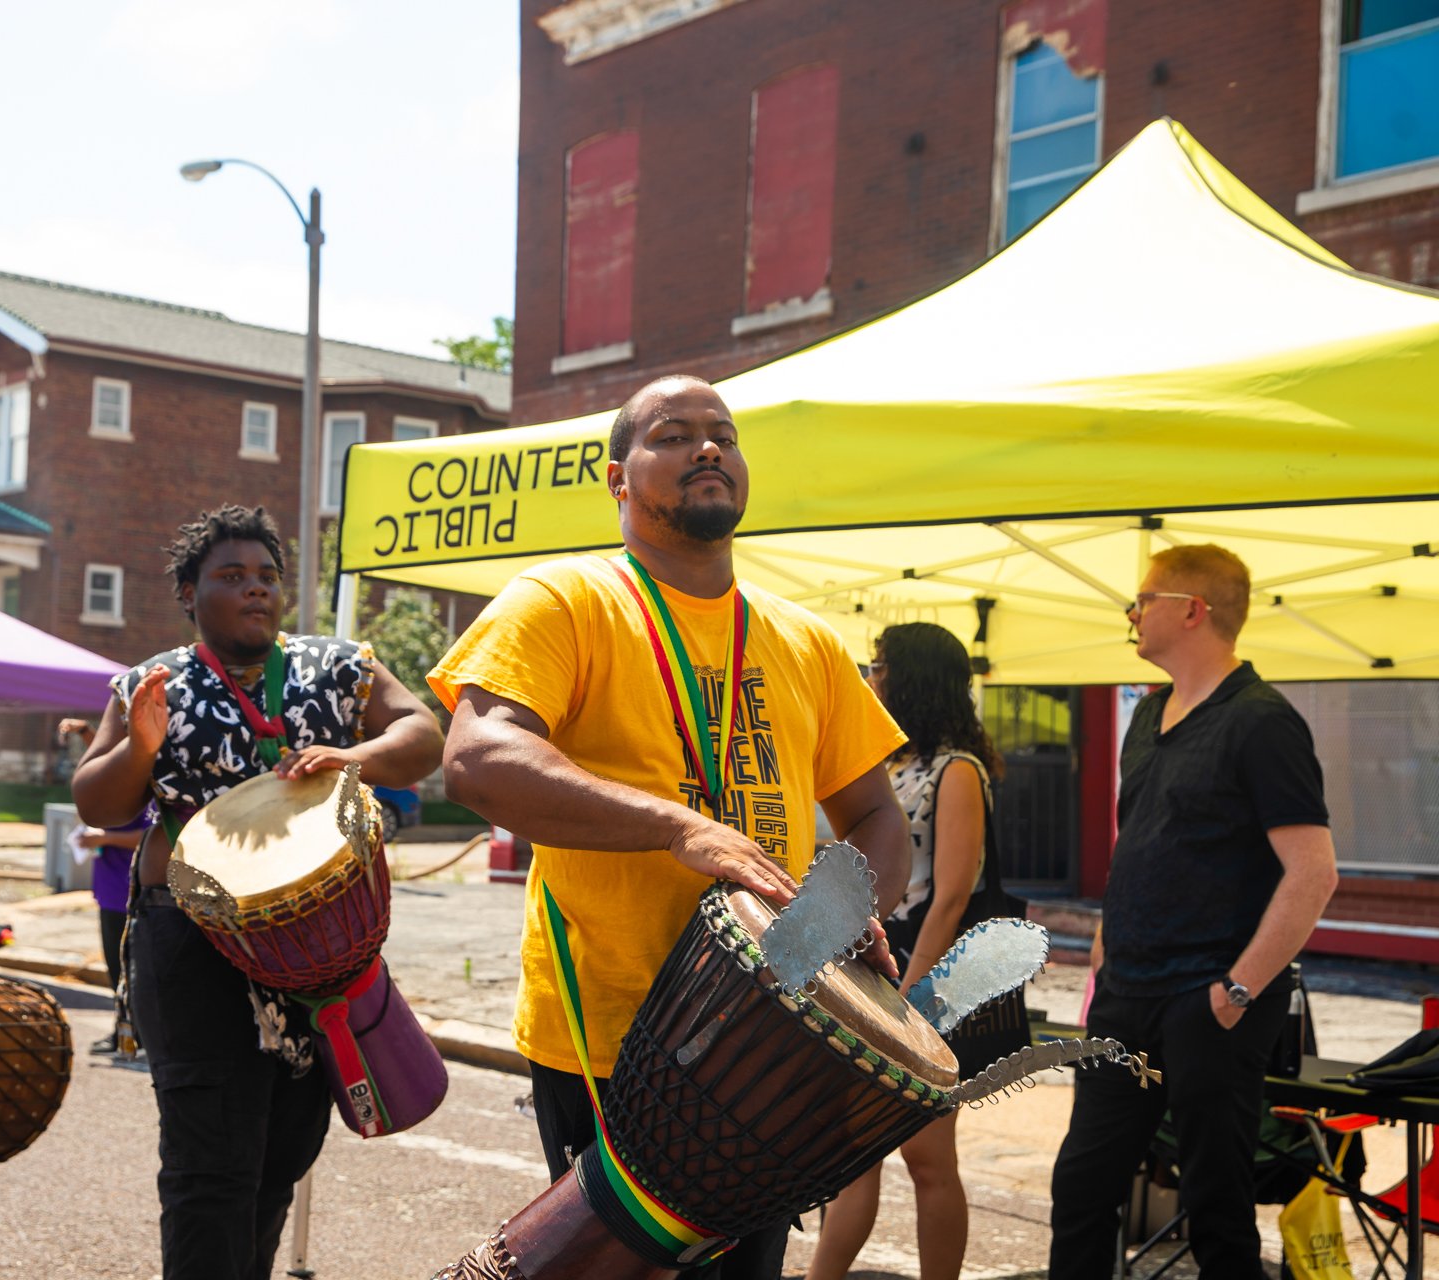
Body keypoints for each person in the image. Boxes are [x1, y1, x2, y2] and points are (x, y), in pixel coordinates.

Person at [429, 375, 911, 1280]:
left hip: (774, 1039)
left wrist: (845, 906)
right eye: (672, 435)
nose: (707, 448)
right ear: (618, 479)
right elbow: (478, 757)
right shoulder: (562, 599)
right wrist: (679, 828)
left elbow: (878, 813)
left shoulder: (804, 639)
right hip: (615, 1044)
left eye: (723, 434)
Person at [71, 502, 443, 1279]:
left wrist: (355, 754)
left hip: (317, 953)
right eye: (231, 576)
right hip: (193, 946)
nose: (256, 590)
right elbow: (98, 803)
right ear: (188, 590)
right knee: (210, 1168)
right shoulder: (150, 683)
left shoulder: (337, 666)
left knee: (282, 1154)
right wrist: (141, 745)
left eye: (268, 577)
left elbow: (422, 736)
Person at [1048, 544, 1339, 1279]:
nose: (1132, 615)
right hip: (1127, 995)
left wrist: (1235, 992)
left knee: (1216, 1205)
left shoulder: (1262, 723)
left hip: (1208, 998)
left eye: (1143, 600)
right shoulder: (1147, 716)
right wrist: (1105, 959)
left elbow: (1313, 874)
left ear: (1191, 610)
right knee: (1083, 1187)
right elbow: (1137, 847)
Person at [809, 621, 1018, 1280]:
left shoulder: (958, 770)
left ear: (914, 678)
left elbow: (952, 896)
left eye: (880, 665)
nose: (871, 677)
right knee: (854, 1151)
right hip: (876, 969)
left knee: (929, 1161)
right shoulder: (892, 764)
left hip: (933, 980)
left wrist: (913, 1001)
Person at [61, 716, 153, 1057]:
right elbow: (102, 757)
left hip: (129, 888)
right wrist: (86, 732)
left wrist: (104, 836)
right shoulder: (116, 775)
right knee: (118, 970)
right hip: (109, 887)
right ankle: (123, 1034)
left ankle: (138, 1036)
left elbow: (151, 833)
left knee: (131, 969)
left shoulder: (146, 778)